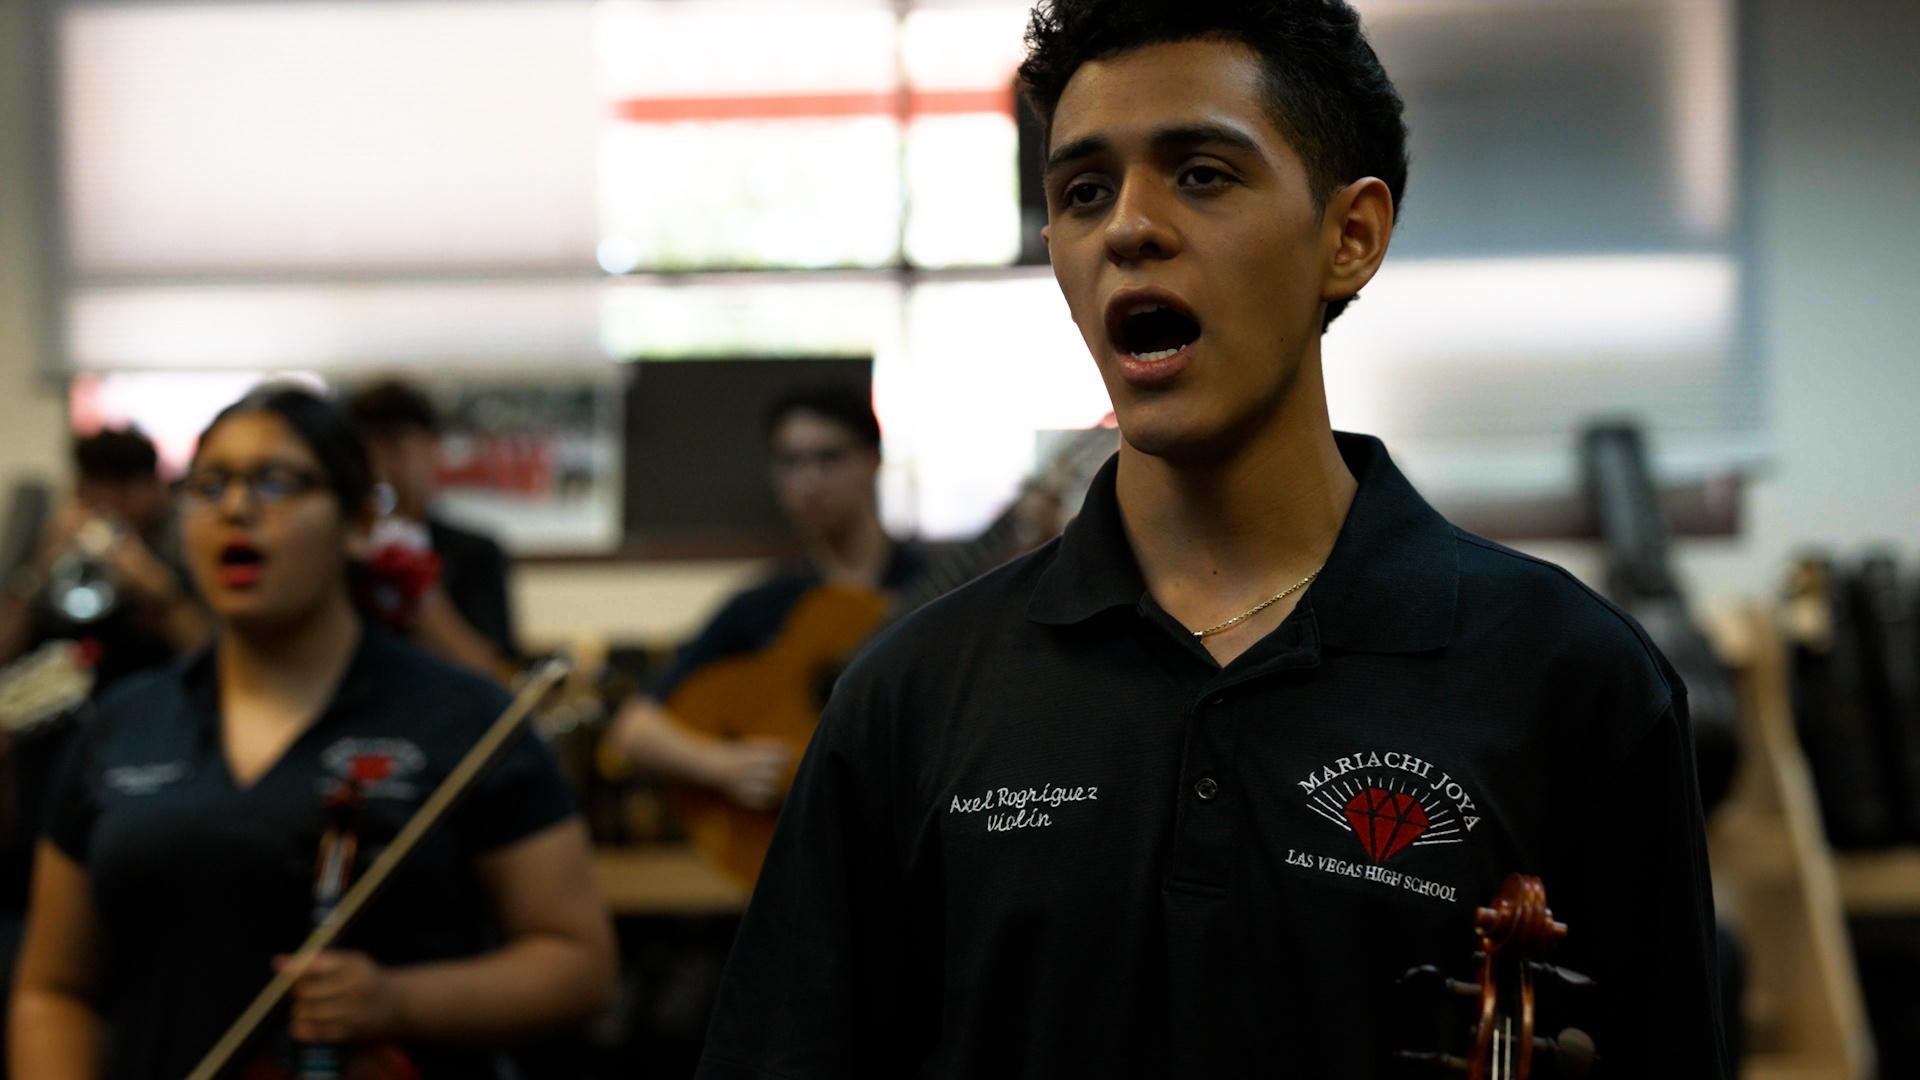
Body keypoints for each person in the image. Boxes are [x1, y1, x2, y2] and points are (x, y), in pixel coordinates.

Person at [695, 2, 1728, 1077]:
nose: (1129, 228)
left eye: (1202, 173)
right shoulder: (912, 696)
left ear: (1351, 236)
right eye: (1083, 192)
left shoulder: (1569, 678)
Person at [9, 386, 616, 1078]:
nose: (237, 508)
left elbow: (579, 965)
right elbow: (54, 991)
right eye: (209, 485)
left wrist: (400, 1001)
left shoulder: (463, 717)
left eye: (278, 482)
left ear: (358, 523)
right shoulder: (121, 725)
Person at [603, 383, 925, 814]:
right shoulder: (761, 605)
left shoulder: (933, 585)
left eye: (828, 458)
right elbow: (633, 730)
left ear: (872, 461)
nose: (808, 480)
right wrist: (724, 766)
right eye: (791, 462)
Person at [0, 427, 208, 689]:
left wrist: (156, 587)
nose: (106, 502)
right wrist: (38, 572)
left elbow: (209, 655)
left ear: (154, 491)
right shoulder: (51, 545)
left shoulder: (184, 549)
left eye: (122, 488)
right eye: (93, 488)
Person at [345, 379, 520, 680]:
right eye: (364, 450)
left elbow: (493, 672)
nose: (378, 465)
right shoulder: (337, 552)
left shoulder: (475, 553)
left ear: (432, 447)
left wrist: (417, 587)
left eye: (394, 444)